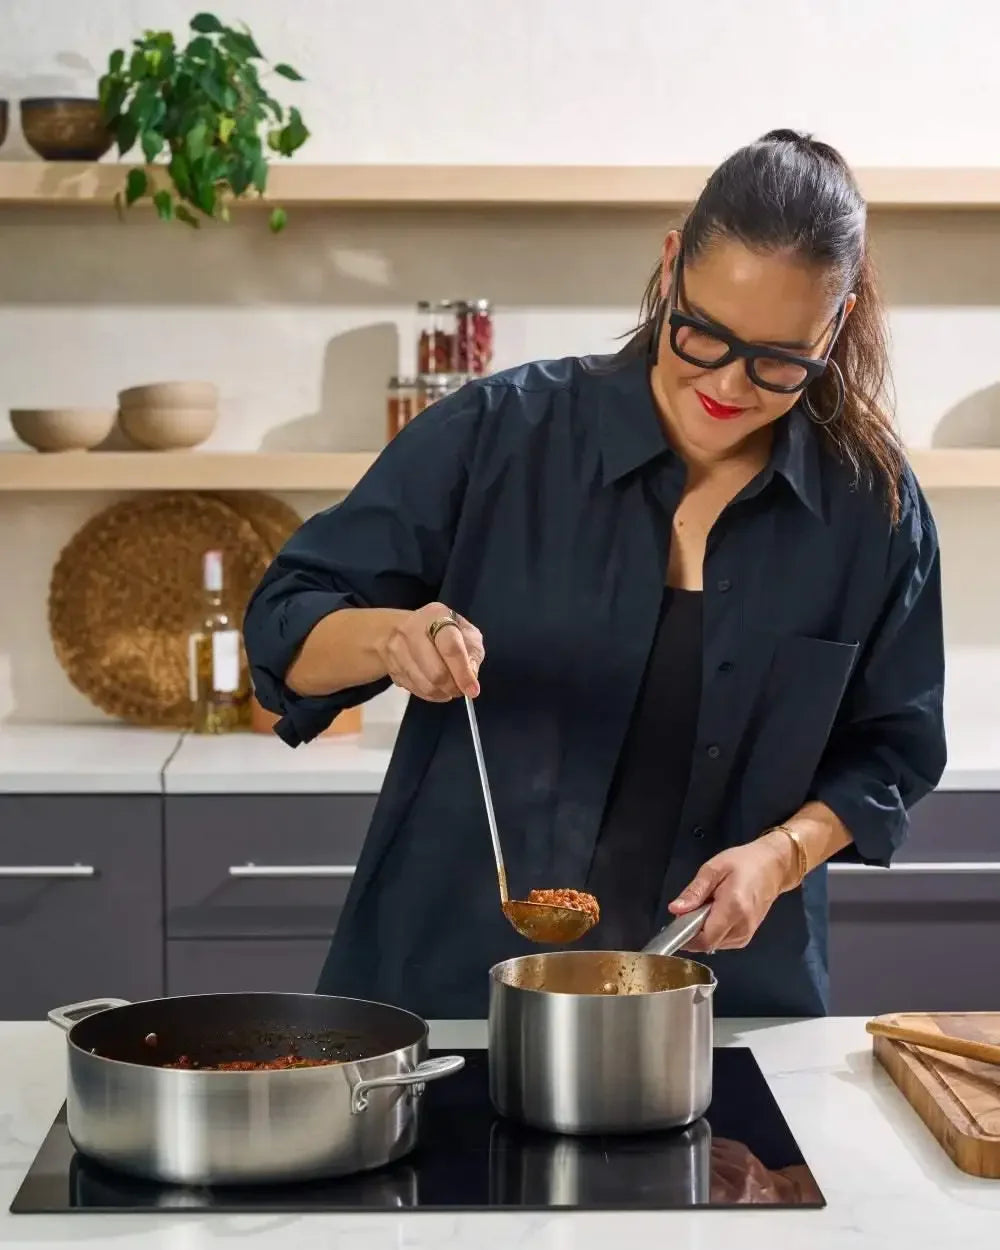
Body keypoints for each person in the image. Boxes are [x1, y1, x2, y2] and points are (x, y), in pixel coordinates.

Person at [244, 129, 946, 1019]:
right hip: (451, 986)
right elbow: (284, 626)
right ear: (670, 268)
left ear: (835, 324)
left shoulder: (871, 506)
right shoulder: (501, 434)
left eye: (778, 362)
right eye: (703, 336)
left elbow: (893, 749)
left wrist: (783, 855)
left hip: (726, 1001)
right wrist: (391, 635)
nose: (728, 384)